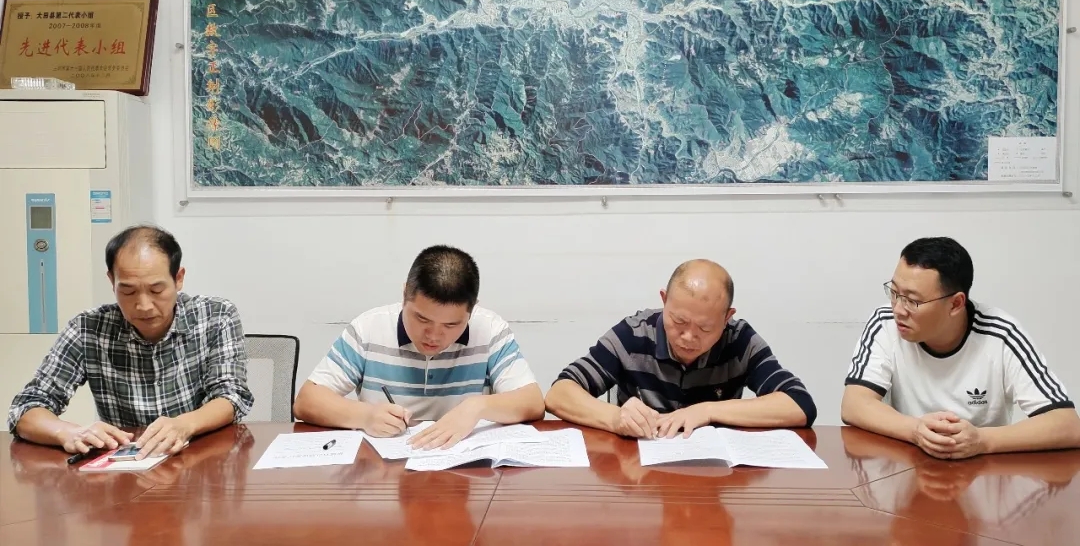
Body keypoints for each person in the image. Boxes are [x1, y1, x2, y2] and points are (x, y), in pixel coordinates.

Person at [7, 225, 254, 460]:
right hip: (124, 467)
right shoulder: (88, 328)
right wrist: (68, 432)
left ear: (178, 278)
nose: (143, 305)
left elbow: (231, 395)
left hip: (200, 459)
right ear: (111, 281)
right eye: (128, 291)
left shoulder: (216, 316)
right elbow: (26, 407)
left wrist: (184, 425)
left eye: (156, 290)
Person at [842, 236, 1080, 459]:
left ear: (956, 304)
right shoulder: (885, 322)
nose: (898, 309)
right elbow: (854, 404)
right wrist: (915, 430)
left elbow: (1067, 424)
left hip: (982, 474)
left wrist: (982, 441)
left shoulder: (1001, 334)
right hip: (908, 468)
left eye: (912, 300)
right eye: (894, 293)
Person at [293, 245, 545, 449]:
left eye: (451, 324)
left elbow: (533, 401)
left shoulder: (489, 329)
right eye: (422, 319)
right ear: (405, 294)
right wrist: (365, 416)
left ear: (472, 309)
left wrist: (476, 407)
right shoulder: (368, 328)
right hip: (384, 476)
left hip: (462, 475)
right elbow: (307, 401)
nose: (434, 336)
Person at [545, 259, 816, 438]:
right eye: (678, 321)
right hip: (638, 478)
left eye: (705, 328)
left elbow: (799, 404)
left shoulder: (739, 341)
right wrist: (616, 418)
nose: (688, 337)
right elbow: (560, 394)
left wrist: (707, 411)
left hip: (714, 478)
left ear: (727, 317)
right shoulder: (634, 334)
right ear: (664, 301)